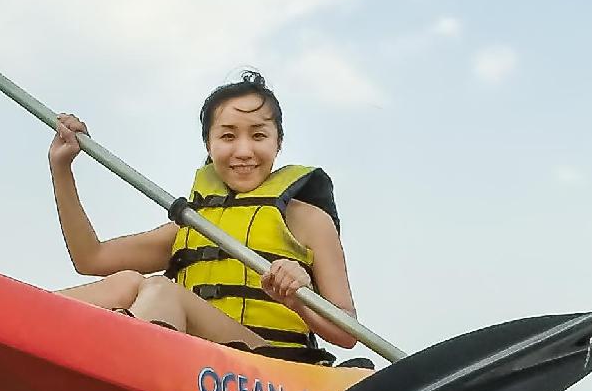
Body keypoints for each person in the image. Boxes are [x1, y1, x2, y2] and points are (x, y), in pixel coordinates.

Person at [50, 71, 360, 361]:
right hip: (200, 359)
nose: (243, 151)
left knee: (160, 288)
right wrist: (62, 168)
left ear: (278, 142)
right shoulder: (193, 226)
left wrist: (298, 299)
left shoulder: (310, 220)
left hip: (270, 367)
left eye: (258, 136)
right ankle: (25, 314)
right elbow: (91, 258)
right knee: (127, 282)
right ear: (209, 146)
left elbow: (347, 334)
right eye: (227, 137)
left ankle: (117, 352)